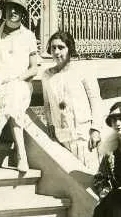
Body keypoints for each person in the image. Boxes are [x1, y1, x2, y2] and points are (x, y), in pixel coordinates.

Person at [0, 0, 38, 172]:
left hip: (20, 83)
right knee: (12, 101)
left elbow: (34, 69)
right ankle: (22, 156)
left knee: (14, 93)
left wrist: (16, 79)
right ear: (4, 10)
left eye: (17, 8)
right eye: (9, 8)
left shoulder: (29, 36)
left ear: (23, 13)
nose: (13, 11)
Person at [41, 31, 103, 170]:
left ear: (70, 49)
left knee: (91, 174)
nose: (56, 52)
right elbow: (47, 103)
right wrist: (50, 124)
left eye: (61, 47)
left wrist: (96, 129)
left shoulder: (83, 70)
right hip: (61, 136)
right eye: (53, 48)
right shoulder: (47, 75)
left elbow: (95, 101)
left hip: (83, 135)